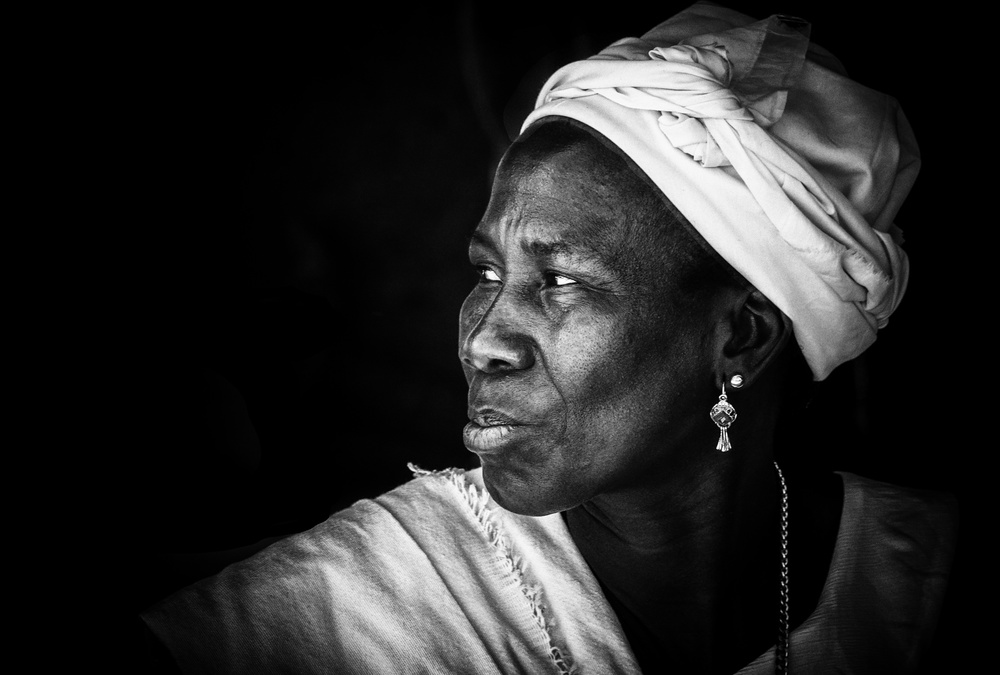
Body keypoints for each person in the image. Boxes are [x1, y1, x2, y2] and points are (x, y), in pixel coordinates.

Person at [139, 3, 958, 673]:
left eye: (561, 280)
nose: (483, 340)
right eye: (487, 273)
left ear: (741, 336)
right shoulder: (354, 605)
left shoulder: (916, 571)